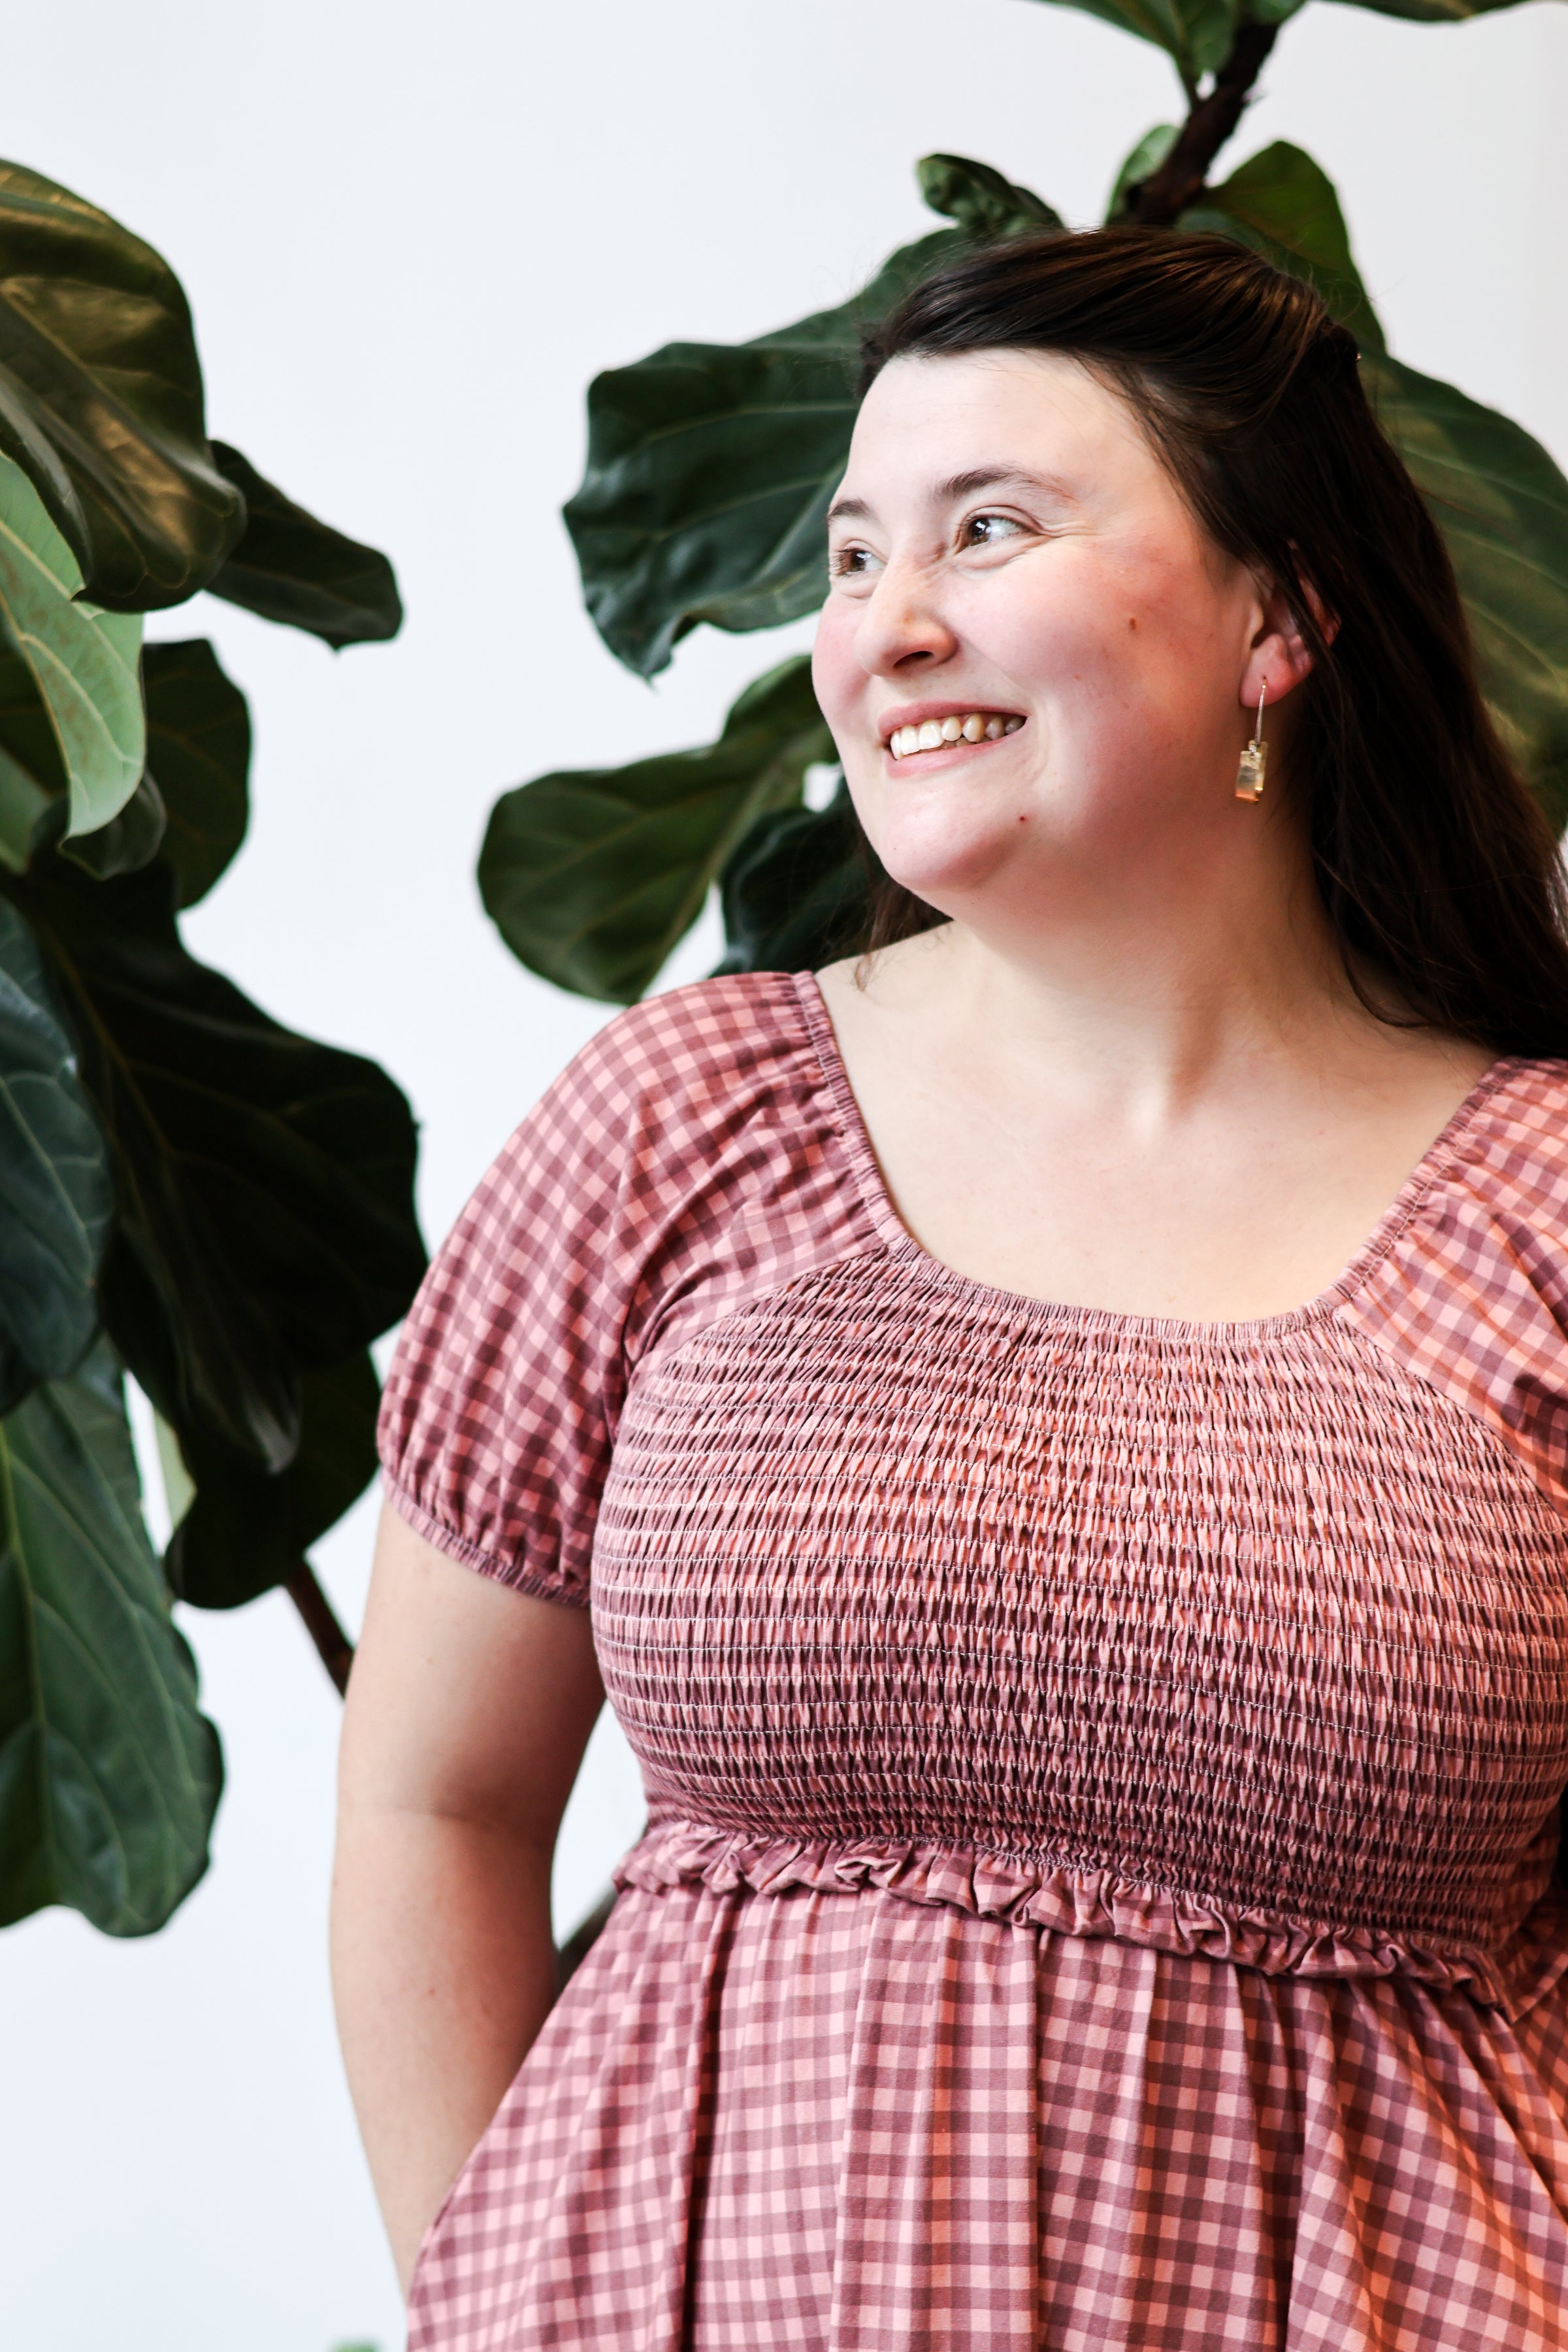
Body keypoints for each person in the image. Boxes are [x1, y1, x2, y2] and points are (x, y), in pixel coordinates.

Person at [331, 228, 1568, 2351]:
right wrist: (495, 2302)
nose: (886, 625)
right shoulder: (676, 1125)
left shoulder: (1542, 1206)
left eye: (988, 530)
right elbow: (434, 1800)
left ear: (1280, 616)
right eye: (851, 555)